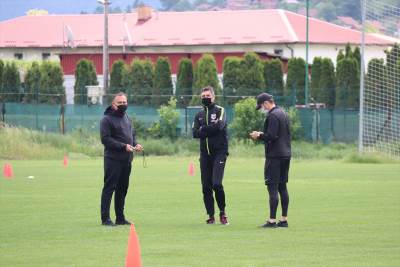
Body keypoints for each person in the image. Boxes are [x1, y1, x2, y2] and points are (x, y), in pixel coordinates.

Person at [100, 92, 143, 226]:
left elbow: (132, 135)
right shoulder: (106, 120)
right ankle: (105, 219)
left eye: (125, 102)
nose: (123, 105)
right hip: (113, 160)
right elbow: (105, 140)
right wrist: (123, 146)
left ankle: (120, 218)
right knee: (109, 188)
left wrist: (136, 144)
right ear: (113, 104)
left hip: (127, 160)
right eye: (120, 103)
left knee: (122, 189)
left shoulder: (127, 117)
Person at [250, 93, 291, 228]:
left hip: (274, 156)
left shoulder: (272, 115)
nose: (262, 109)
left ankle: (272, 220)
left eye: (261, 106)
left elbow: (271, 136)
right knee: (282, 187)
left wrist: (259, 135)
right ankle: (284, 219)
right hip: (286, 154)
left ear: (266, 103)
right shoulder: (283, 113)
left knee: (272, 188)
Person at [192, 86, 229, 225]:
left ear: (213, 97)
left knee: (217, 184)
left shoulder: (221, 110)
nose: (205, 98)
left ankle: (223, 212)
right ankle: (210, 215)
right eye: (203, 96)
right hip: (204, 155)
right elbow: (195, 133)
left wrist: (203, 129)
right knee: (206, 186)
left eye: (208, 95)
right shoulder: (199, 115)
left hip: (220, 152)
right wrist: (207, 129)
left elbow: (219, 127)